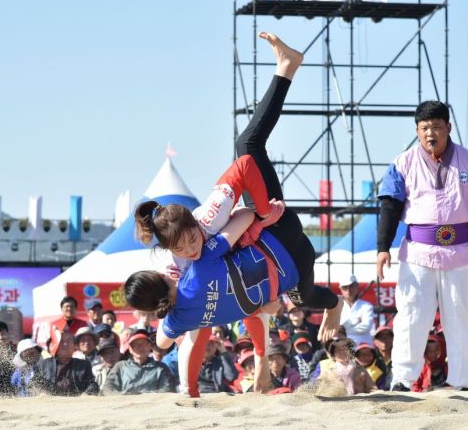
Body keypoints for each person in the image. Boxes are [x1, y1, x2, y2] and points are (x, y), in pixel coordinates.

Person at [125, 33, 343, 397]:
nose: (194, 247)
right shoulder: (186, 268)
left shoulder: (207, 221)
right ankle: (193, 390)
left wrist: (261, 212)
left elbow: (243, 166)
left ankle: (286, 68)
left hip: (275, 227)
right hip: (277, 258)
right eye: (186, 246)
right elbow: (178, 334)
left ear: (195, 225)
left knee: (248, 144)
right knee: (295, 299)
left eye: (193, 238)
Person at [376, 99, 468, 392]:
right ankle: (403, 379)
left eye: (436, 127)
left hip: (460, 250)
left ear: (448, 128)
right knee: (411, 315)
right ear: (417, 131)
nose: (430, 133)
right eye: (424, 128)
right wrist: (383, 247)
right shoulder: (402, 163)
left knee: (458, 315)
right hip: (418, 251)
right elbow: (390, 207)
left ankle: (465, 380)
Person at [104, 331, 174, 394]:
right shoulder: (120, 366)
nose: (140, 347)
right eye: (135, 345)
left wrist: (145, 396)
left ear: (150, 347)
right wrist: (122, 395)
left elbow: (167, 389)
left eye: (143, 344)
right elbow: (108, 387)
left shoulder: (161, 368)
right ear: (130, 349)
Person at [35, 330, 98, 396]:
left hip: (77, 402)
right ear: (55, 345)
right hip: (51, 402)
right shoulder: (44, 364)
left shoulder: (84, 364)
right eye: (61, 341)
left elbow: (93, 384)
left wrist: (86, 393)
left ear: (75, 347)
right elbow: (34, 382)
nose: (65, 344)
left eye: (68, 340)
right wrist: (41, 392)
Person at [338, 274, 376, 347]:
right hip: (342, 348)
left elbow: (366, 327)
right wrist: (357, 322)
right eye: (345, 287)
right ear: (340, 289)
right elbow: (334, 329)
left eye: (351, 286)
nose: (348, 290)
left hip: (364, 348)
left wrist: (344, 329)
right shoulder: (336, 307)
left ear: (357, 286)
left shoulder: (366, 306)